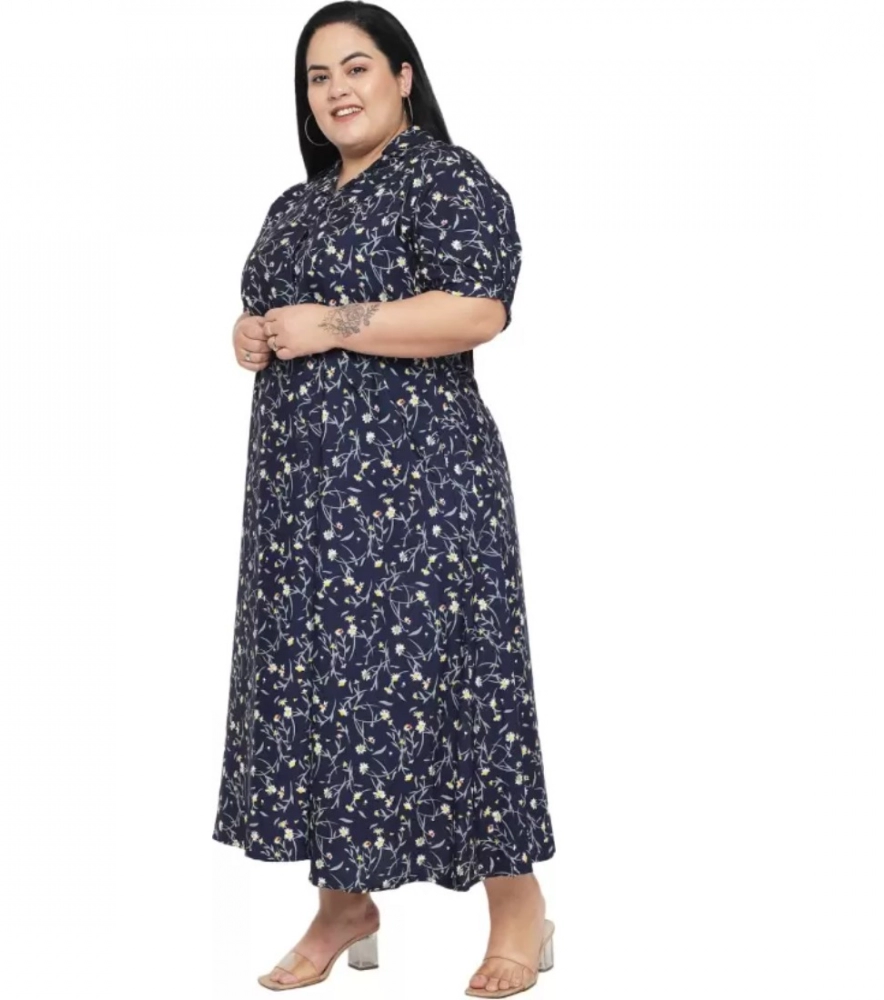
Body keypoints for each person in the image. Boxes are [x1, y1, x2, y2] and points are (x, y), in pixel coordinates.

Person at [212, 3, 557, 995]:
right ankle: (344, 905)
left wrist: (333, 322)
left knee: (457, 691)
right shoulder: (297, 203)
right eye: (318, 76)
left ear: (403, 77)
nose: (336, 90)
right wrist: (251, 334)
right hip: (303, 501)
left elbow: (478, 309)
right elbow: (271, 312)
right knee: (323, 690)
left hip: (419, 494)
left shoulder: (445, 178)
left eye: (356, 67)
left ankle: (518, 908)